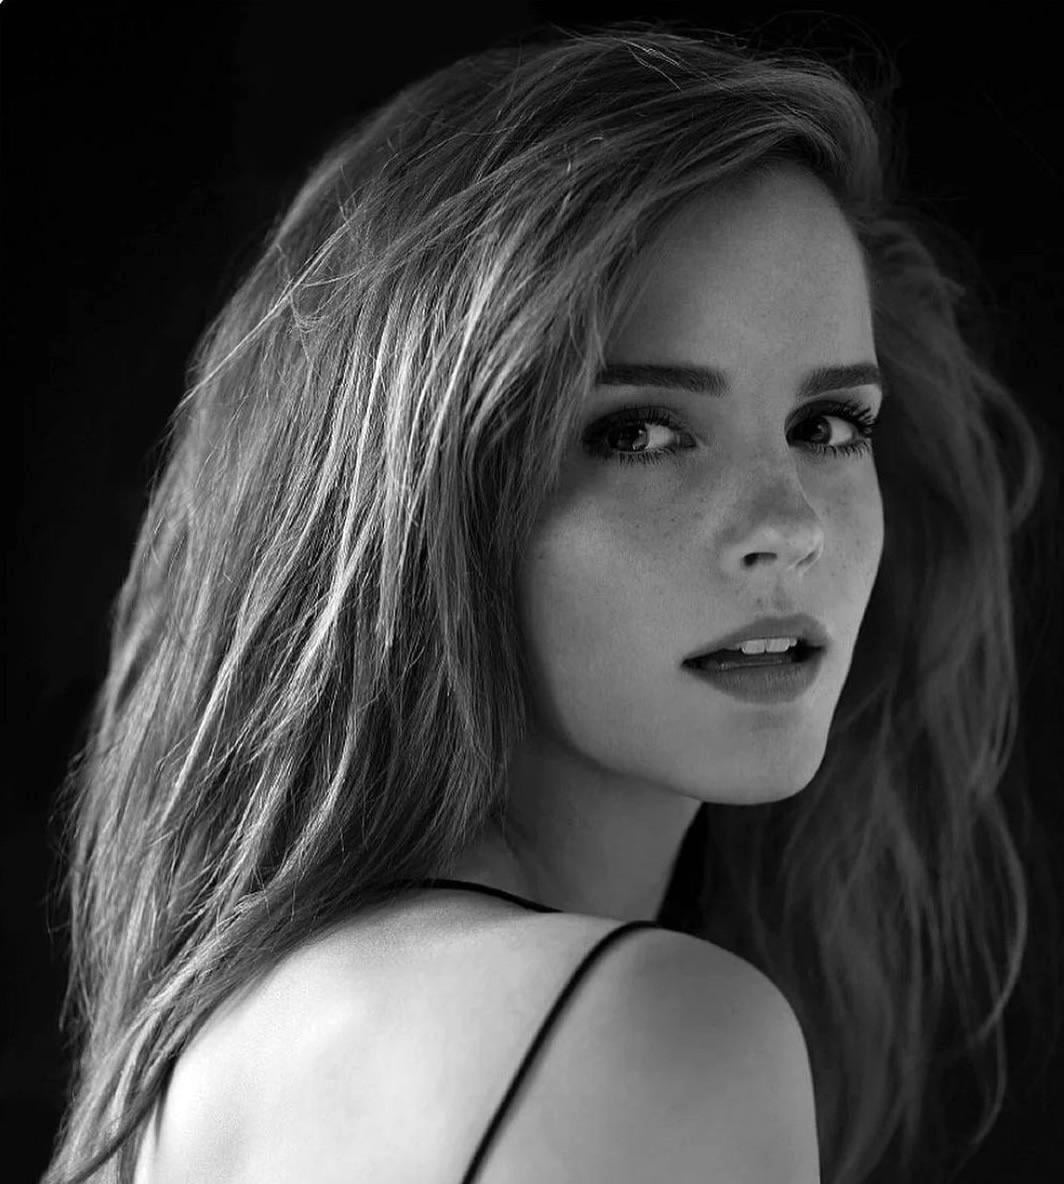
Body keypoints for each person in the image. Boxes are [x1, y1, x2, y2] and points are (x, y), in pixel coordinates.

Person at [42, 19, 1057, 1184]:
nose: (788, 522)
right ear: (425, 492)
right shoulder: (654, 1025)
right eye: (639, 432)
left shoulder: (206, 1050)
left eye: (827, 424)